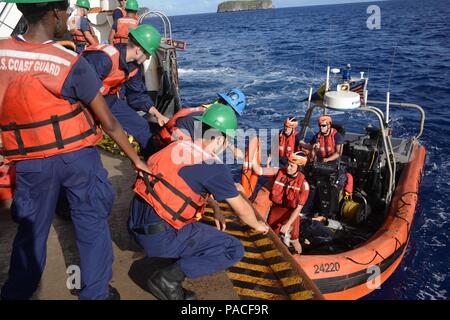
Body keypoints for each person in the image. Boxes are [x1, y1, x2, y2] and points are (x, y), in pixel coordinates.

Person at [0, 0, 150, 300]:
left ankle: (16, 292)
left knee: (31, 232)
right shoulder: (68, 62)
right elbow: (108, 122)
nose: (69, 19)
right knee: (92, 225)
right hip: (76, 159)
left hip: (30, 161)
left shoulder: (2, 52)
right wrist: (136, 159)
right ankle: (95, 294)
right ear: (54, 14)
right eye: (67, 13)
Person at [128, 103, 269, 300]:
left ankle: (166, 260)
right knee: (232, 248)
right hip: (159, 238)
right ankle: (167, 279)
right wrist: (258, 224)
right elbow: (243, 211)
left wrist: (215, 207)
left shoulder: (176, 146)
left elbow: (182, 185)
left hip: (135, 224)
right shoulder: (212, 166)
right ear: (219, 139)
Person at [82, 25, 168, 158]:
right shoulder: (103, 59)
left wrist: (157, 114)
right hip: (82, 103)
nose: (148, 59)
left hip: (107, 99)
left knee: (142, 126)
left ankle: (152, 163)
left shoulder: (134, 68)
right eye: (148, 55)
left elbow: (137, 96)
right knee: (88, 137)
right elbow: (79, 87)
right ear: (139, 50)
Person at [155, 88, 246, 158]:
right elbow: (208, 146)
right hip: (172, 143)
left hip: (167, 137)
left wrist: (233, 149)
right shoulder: (209, 119)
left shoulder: (209, 112)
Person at [267, 152, 310, 254]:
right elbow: (265, 173)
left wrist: (288, 224)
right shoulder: (279, 173)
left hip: (290, 214)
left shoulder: (304, 185)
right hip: (276, 211)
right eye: (287, 164)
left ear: (299, 168)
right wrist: (268, 163)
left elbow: (299, 208)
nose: (288, 168)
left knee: (294, 241)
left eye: (292, 166)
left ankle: (299, 258)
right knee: (271, 236)